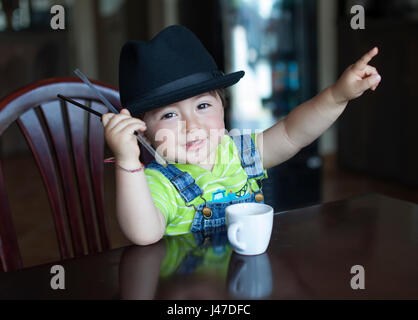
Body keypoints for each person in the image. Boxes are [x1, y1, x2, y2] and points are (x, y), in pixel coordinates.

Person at [102, 25, 381, 245]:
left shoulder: (237, 151)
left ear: (223, 108)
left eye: (202, 106)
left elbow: (291, 132)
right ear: (145, 134)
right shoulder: (157, 182)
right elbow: (144, 234)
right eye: (170, 115)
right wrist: (128, 160)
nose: (192, 124)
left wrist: (337, 95)